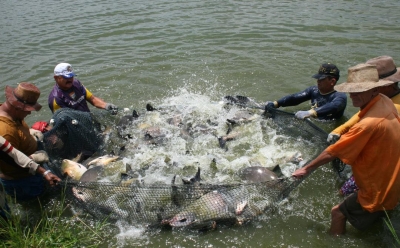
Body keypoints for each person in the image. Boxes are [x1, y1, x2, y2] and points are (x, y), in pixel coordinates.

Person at [292, 63, 400, 235]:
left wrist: (306, 169)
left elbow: (332, 152)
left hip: (377, 191)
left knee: (337, 212)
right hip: (393, 181)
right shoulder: (385, 101)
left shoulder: (367, 125)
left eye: (359, 91)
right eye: (351, 90)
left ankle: (333, 242)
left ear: (374, 90)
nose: (352, 96)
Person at [327, 56, 400, 196]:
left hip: (385, 162)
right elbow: (361, 116)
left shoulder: (393, 107)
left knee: (343, 195)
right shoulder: (383, 99)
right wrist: (339, 130)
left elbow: (365, 121)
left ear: (385, 85)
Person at [0, 82, 61, 202]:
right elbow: (13, 161)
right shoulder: (5, 131)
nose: (29, 113)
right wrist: (40, 166)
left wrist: (30, 132)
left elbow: (18, 132)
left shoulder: (13, 116)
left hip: (32, 173)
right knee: (39, 204)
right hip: (22, 181)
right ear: (17, 107)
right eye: (28, 110)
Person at [265, 63, 347, 120]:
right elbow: (295, 97)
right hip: (312, 117)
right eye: (318, 78)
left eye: (321, 79)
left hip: (328, 124)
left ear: (332, 81)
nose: (318, 81)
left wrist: (310, 113)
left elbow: (333, 106)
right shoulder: (313, 90)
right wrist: (276, 103)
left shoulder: (340, 97)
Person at [48, 63, 118, 114]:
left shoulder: (76, 83)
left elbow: (92, 99)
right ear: (56, 78)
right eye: (66, 77)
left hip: (88, 117)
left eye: (71, 76)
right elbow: (64, 122)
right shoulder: (56, 99)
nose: (69, 79)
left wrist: (106, 105)